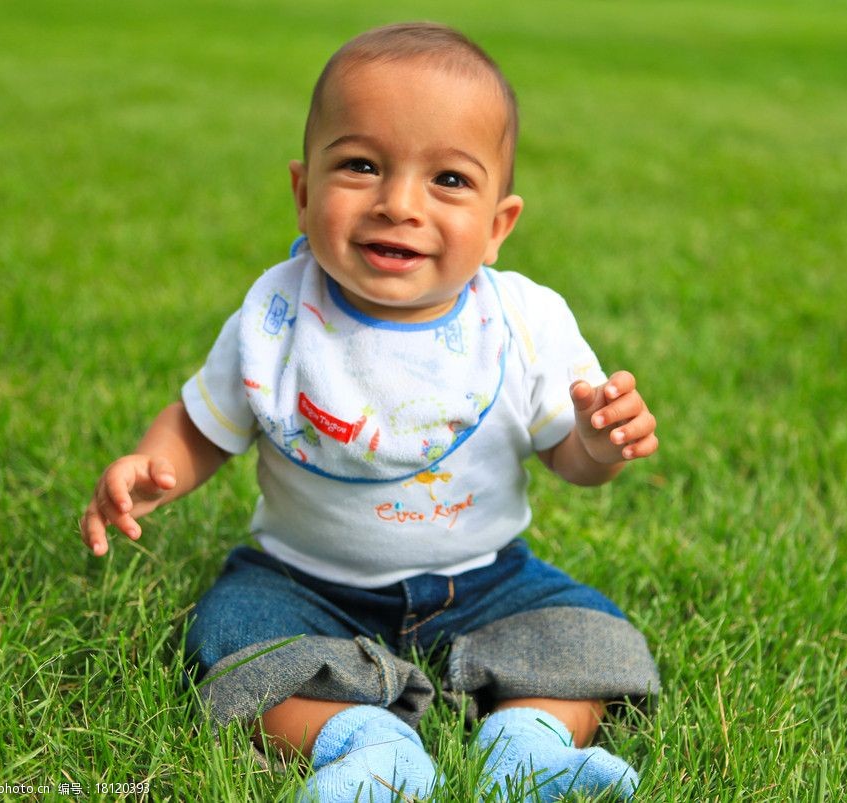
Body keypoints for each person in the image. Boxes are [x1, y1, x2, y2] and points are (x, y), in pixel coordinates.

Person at [81, 22, 660, 802]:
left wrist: (598, 443)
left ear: (497, 226)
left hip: (486, 579)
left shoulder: (524, 323)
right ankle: (369, 745)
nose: (397, 204)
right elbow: (200, 421)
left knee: (587, 635)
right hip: (301, 580)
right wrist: (154, 467)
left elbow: (572, 462)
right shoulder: (277, 318)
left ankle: (527, 745)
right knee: (232, 639)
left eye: (448, 180)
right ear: (302, 190)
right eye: (359, 165)